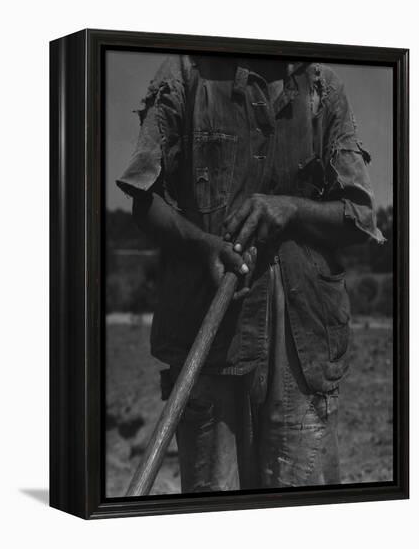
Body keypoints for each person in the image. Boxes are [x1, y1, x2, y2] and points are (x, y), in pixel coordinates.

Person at [117, 55, 384, 492]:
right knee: (213, 511)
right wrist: (203, 244)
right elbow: (145, 200)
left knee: (301, 515)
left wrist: (291, 209)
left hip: (304, 341)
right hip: (208, 332)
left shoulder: (322, 86)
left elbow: (359, 215)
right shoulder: (186, 75)